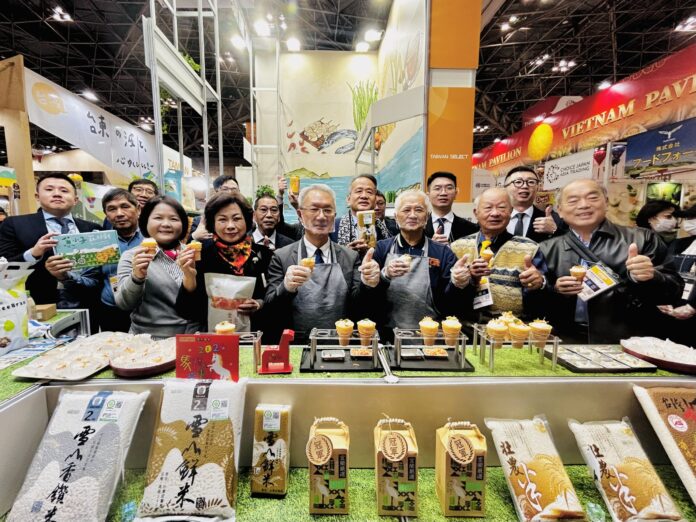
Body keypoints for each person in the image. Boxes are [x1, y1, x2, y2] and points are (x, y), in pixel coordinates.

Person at [539, 179, 683, 343]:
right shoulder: (546, 248)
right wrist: (553, 289)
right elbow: (535, 305)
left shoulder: (642, 239)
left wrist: (652, 277)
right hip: (565, 339)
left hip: (628, 339)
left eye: (592, 198)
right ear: (560, 210)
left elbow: (673, 293)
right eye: (573, 200)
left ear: (606, 202)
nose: (584, 205)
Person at [264, 184, 380, 341]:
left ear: (334, 215)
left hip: (340, 342)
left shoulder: (350, 257)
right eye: (314, 209)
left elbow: (359, 306)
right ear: (300, 214)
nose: (321, 216)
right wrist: (286, 287)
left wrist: (368, 284)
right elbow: (270, 310)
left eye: (327, 210)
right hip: (297, 344)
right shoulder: (282, 257)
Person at [371, 189, 472, 337]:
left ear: (427, 217)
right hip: (388, 335)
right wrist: (385, 275)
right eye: (406, 210)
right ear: (396, 217)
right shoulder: (381, 248)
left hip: (430, 335)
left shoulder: (443, 252)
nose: (412, 215)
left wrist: (459, 283)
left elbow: (453, 303)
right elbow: (370, 296)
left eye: (418, 210)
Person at [46, 188, 143, 332]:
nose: (119, 213)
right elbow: (90, 280)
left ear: (138, 209)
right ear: (106, 215)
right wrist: (65, 275)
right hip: (111, 312)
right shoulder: (98, 242)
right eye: (112, 209)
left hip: (148, 311)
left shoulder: (152, 239)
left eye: (125, 206)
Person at [176, 193, 273, 334]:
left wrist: (259, 304)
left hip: (253, 338)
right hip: (209, 338)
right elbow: (186, 311)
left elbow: (273, 300)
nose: (230, 226)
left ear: (247, 220)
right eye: (222, 219)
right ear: (212, 223)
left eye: (236, 218)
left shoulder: (264, 255)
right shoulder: (200, 253)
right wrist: (189, 277)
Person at [0, 173, 101, 306]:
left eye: (64, 190)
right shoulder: (15, 224)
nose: (57, 194)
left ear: (75, 200)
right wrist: (32, 254)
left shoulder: (92, 228)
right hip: (39, 303)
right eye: (49, 189)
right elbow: (3, 268)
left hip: (89, 301)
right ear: (37, 196)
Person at [450, 187, 547, 323]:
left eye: (501, 208)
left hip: (512, 327)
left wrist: (540, 284)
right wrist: (467, 279)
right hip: (466, 327)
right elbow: (446, 297)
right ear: (476, 213)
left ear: (511, 211)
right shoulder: (457, 247)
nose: (495, 213)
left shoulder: (530, 248)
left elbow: (543, 299)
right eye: (488, 208)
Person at [116, 195, 199, 337]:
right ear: (145, 222)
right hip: (151, 341)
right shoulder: (132, 257)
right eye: (158, 218)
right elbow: (124, 303)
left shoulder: (193, 254)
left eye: (174, 219)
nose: (166, 224)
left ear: (183, 224)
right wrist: (137, 277)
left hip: (194, 338)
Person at [657, 204, 696, 344]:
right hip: (670, 311)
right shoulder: (678, 243)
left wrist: (693, 307)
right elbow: (665, 270)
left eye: (693, 218)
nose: (689, 221)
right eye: (688, 218)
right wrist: (660, 299)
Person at [330, 174, 392, 256]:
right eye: (359, 191)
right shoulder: (332, 227)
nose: (364, 196)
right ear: (348, 199)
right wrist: (345, 255)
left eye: (369, 192)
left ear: (375, 201)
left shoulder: (385, 229)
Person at [504, 166, 565, 243]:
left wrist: (555, 230)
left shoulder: (555, 219)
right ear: (505, 188)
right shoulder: (496, 217)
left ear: (537, 188)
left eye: (531, 182)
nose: (525, 186)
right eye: (518, 182)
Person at [425, 171, 478, 244]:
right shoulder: (419, 227)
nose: (443, 193)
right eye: (437, 188)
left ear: (456, 193)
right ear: (428, 195)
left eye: (449, 188)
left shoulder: (471, 228)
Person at [189, 175, 242, 241]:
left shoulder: (245, 219)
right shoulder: (200, 222)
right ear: (215, 192)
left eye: (234, 190)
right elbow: (186, 245)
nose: (230, 193)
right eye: (225, 189)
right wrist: (194, 236)